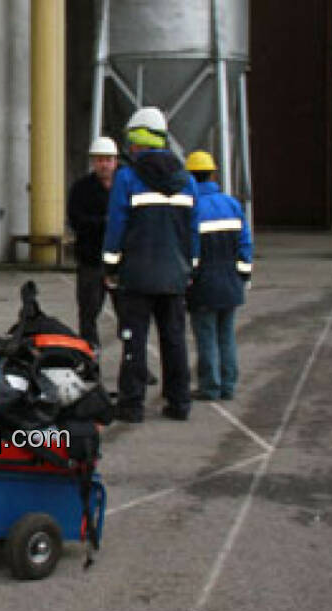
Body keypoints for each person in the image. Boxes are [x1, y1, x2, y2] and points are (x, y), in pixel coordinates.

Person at [102, 106, 201, 423]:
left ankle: (132, 406)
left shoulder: (127, 178)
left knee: (134, 341)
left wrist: (110, 267)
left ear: (137, 140)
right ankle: (179, 403)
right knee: (174, 341)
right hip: (174, 276)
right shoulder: (186, 181)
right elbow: (192, 232)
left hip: (136, 276)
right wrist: (190, 269)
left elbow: (116, 225)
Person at [184, 150, 253, 401]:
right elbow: (245, 245)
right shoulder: (231, 204)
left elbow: (191, 250)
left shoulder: (192, 208)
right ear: (213, 174)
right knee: (226, 336)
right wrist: (243, 276)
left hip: (204, 284)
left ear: (189, 175)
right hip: (231, 282)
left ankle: (210, 386)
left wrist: (188, 279)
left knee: (206, 337)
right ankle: (228, 385)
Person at [67, 136, 120, 353]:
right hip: (91, 261)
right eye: (99, 160)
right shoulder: (82, 189)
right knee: (88, 313)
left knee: (129, 316)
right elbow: (75, 220)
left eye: (108, 160)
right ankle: (89, 358)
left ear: (115, 161)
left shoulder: (125, 186)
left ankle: (136, 365)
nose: (104, 164)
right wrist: (105, 223)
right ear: (93, 162)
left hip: (120, 262)